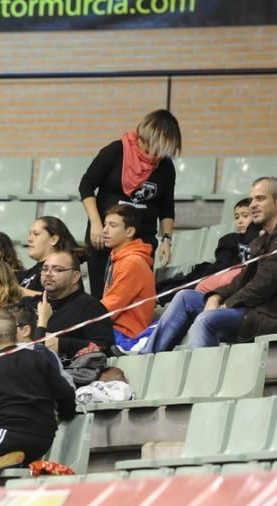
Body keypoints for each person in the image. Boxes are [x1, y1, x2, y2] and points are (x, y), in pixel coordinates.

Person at [143, 177, 277, 352]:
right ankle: (146, 357)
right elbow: (243, 279)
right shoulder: (268, 236)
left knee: (207, 320)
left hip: (274, 316)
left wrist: (226, 305)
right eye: (251, 200)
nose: (252, 205)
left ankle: (202, 377)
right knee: (185, 298)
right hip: (255, 308)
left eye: (260, 198)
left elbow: (264, 284)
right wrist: (217, 296)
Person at [0, 310, 77, 490]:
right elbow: (66, 393)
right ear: (15, 335)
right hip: (44, 437)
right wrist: (66, 414)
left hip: (8, 435)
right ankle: (8, 461)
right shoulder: (38, 359)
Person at [80, 109, 181, 297]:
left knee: (134, 297)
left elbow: (167, 207)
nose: (158, 155)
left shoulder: (165, 166)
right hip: (106, 236)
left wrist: (167, 239)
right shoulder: (116, 151)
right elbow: (86, 186)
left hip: (142, 240)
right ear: (147, 138)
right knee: (102, 296)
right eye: (157, 148)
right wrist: (95, 222)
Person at [155, 198, 262, 301]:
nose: (240, 221)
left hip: (239, 284)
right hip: (217, 275)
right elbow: (224, 265)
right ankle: (160, 295)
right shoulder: (229, 239)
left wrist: (254, 226)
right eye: (237, 217)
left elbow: (253, 241)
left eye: (245, 216)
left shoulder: (262, 237)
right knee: (186, 284)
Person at [35, 249, 115, 360]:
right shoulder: (30, 303)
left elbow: (106, 347)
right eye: (44, 269)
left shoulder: (90, 307)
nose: (48, 274)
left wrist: (61, 344)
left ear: (75, 276)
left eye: (57, 270)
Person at [100, 204, 156, 351]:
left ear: (129, 231)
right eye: (105, 225)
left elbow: (110, 308)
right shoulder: (117, 259)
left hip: (125, 336)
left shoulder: (132, 262)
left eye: (112, 225)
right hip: (114, 330)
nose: (105, 230)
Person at [18, 216, 80, 302]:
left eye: (36, 234)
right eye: (30, 234)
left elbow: (58, 299)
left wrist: (17, 291)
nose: (29, 239)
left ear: (54, 239)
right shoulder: (29, 272)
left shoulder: (66, 269)